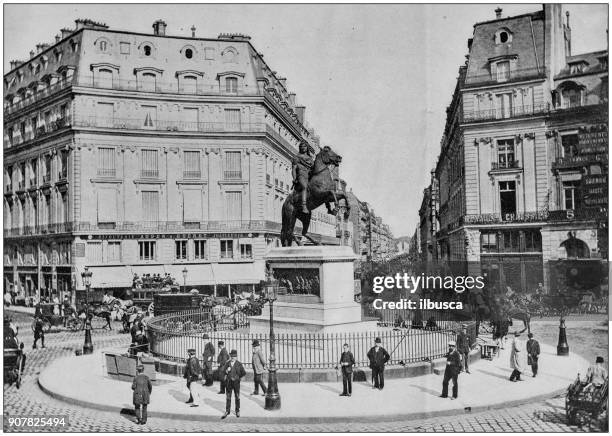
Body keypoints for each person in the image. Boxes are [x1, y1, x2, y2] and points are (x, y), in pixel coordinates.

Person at [221, 349, 246, 419]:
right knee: (228, 397)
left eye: (234, 356)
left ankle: (237, 410)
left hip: (236, 383)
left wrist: (238, 378)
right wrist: (226, 371)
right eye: (231, 356)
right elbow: (223, 372)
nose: (232, 357)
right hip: (228, 383)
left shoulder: (239, 364)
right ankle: (227, 411)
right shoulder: (227, 363)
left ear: (236, 357)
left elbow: (243, 373)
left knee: (237, 397)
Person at [292, 140, 314, 214]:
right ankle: (304, 205)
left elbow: (313, 168)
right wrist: (294, 178)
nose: (303, 148)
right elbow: (294, 169)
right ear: (299, 148)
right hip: (301, 174)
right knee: (304, 187)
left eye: (304, 146)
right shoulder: (297, 157)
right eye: (301, 146)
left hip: (309, 175)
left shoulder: (310, 158)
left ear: (307, 148)